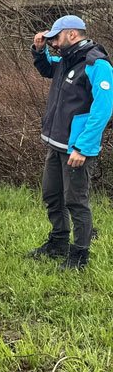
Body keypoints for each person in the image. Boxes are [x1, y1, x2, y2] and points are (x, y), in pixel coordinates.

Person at [28, 15, 113, 270]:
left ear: (72, 34)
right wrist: (39, 49)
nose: (54, 42)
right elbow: (47, 68)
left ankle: (79, 255)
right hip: (56, 145)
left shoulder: (96, 64)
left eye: (56, 37)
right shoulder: (66, 61)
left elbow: (103, 110)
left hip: (77, 149)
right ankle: (58, 243)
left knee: (76, 202)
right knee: (52, 195)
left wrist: (82, 147)